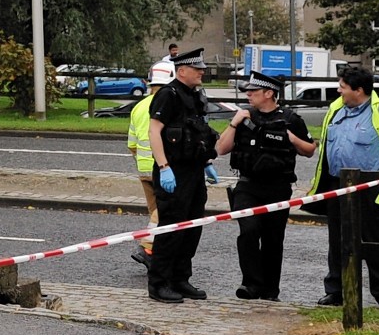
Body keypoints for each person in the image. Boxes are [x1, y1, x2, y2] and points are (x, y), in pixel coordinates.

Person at [308, 66, 379, 309]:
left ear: (358, 90)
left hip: (369, 185)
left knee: (376, 241)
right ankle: (336, 291)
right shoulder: (336, 107)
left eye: (342, 87)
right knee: (338, 241)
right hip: (337, 183)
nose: (338, 90)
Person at [215, 71, 315, 300]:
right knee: (248, 231)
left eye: (253, 92)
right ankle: (250, 284)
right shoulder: (245, 116)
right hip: (247, 186)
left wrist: (291, 138)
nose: (248, 95)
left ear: (269, 93)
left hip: (278, 188)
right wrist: (234, 123)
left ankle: (270, 289)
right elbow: (221, 149)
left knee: (273, 239)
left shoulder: (290, 118)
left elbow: (309, 150)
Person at [145, 47, 219, 303]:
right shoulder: (168, 95)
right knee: (171, 228)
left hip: (194, 170)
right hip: (173, 170)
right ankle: (159, 283)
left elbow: (200, 132)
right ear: (183, 70)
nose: (202, 72)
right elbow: (154, 132)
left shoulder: (195, 96)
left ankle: (180, 278)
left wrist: (207, 161)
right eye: (197, 69)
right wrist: (164, 166)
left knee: (192, 226)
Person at [127, 63, 173, 266]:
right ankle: (147, 247)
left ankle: (157, 253)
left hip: (143, 168)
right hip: (162, 167)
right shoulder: (168, 105)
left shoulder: (138, 107)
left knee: (155, 210)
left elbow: (131, 143)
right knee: (164, 210)